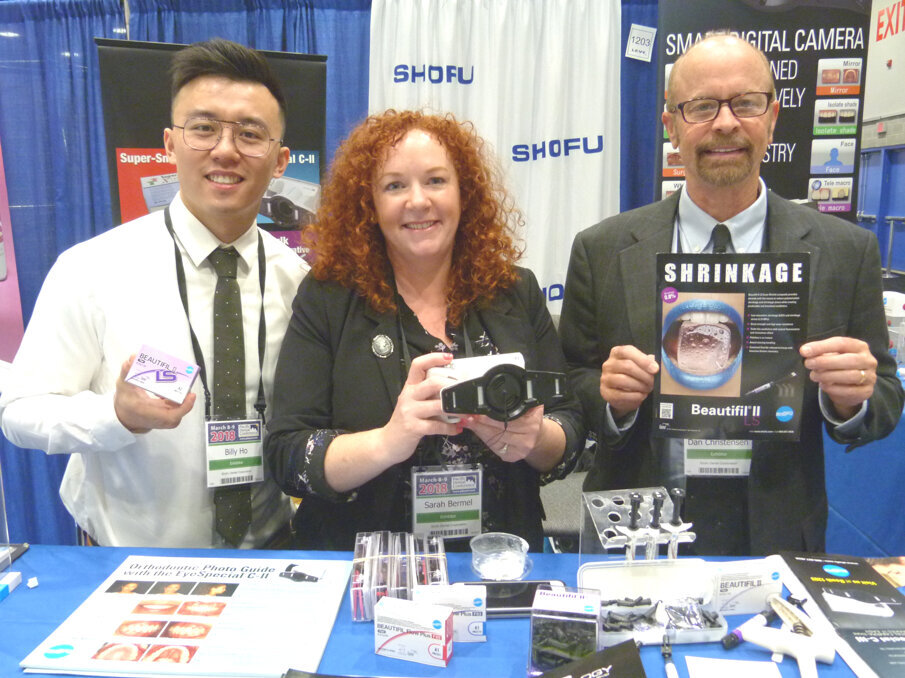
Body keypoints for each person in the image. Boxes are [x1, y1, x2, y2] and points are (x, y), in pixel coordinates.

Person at [559, 33, 904, 556]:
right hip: (637, 531)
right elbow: (573, 385)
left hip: (776, 531)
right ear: (671, 123)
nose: (725, 123)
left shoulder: (845, 250)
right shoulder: (601, 249)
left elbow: (883, 396)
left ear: (773, 115)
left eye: (746, 102)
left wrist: (851, 397)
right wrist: (612, 402)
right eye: (701, 107)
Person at [0, 39, 306, 548]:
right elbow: (19, 412)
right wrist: (115, 416)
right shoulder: (92, 269)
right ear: (169, 143)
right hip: (128, 565)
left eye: (250, 134)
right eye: (204, 128)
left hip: (270, 557)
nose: (226, 150)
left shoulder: (298, 282)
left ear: (280, 161)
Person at [264, 110, 586, 551]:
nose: (418, 200)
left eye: (436, 181)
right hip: (367, 570)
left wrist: (534, 439)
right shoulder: (328, 298)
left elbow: (569, 427)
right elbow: (287, 454)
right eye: (394, 185)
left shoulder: (515, 291)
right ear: (369, 206)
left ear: (464, 193)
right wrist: (387, 442)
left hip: (497, 563)